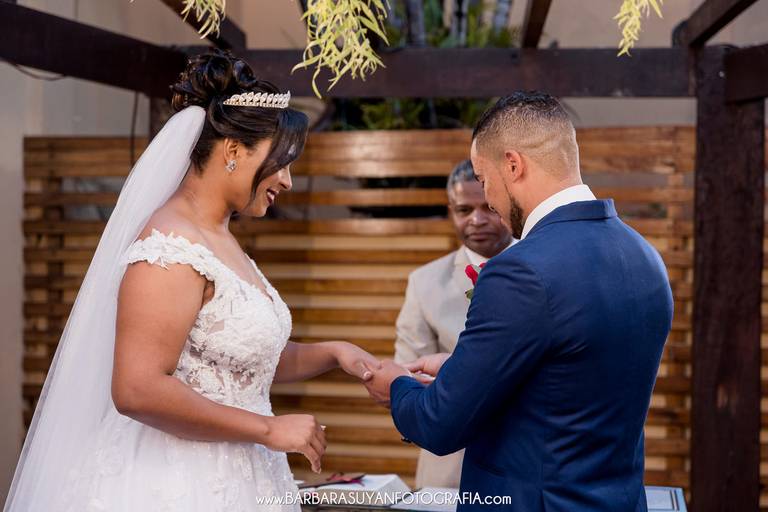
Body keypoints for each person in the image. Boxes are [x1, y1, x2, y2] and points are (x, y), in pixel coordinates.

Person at [3, 50, 381, 512]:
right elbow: (137, 388)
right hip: (177, 481)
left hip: (242, 472)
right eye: (281, 161)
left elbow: (242, 361)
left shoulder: (220, 238)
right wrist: (268, 428)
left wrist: (337, 353)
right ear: (234, 151)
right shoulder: (170, 247)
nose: (287, 180)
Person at [365, 91, 673, 511]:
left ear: (513, 164)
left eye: (484, 179)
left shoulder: (520, 270)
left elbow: (440, 424)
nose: (489, 200)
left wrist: (396, 386)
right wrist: (461, 368)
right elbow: (572, 381)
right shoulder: (644, 256)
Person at [393, 159, 513, 488]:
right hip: (450, 468)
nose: (477, 219)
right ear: (451, 211)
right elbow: (410, 376)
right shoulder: (424, 283)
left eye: (488, 208)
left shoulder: (546, 271)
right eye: (464, 209)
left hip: (530, 465)